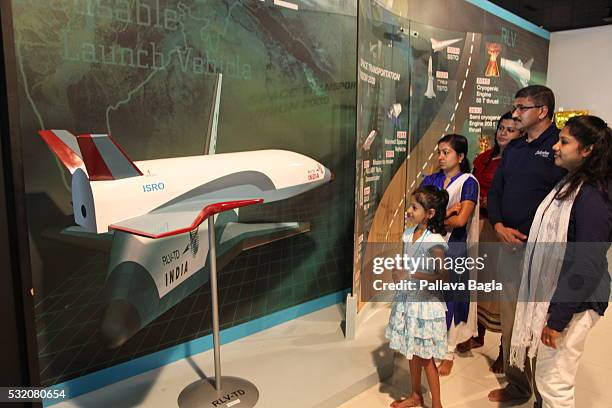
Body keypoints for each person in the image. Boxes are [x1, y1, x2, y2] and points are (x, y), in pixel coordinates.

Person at [510, 115, 611, 408]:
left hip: (575, 301)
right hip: (562, 295)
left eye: (564, 141)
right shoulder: (575, 183)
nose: (555, 146)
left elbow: (587, 265)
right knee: (548, 378)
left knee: (555, 383)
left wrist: (557, 320)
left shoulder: (592, 196)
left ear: (587, 150)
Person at [487, 85, 566, 403]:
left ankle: (545, 393)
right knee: (511, 320)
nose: (515, 113)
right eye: (515, 107)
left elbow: (565, 204)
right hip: (508, 248)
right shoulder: (515, 149)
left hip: (543, 254)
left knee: (540, 324)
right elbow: (495, 193)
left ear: (542, 111)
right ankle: (518, 385)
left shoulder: (561, 148)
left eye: (522, 108)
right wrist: (499, 226)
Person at [463, 112, 522, 373]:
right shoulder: (483, 158)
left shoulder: (519, 161)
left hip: (501, 229)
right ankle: (477, 333)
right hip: (478, 226)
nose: (503, 133)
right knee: (478, 280)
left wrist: (492, 204)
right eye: (501, 128)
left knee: (500, 289)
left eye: (510, 129)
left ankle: (503, 350)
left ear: (521, 133)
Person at [420, 134, 479, 376]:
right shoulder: (431, 179)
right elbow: (418, 214)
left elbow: (462, 219)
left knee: (452, 299)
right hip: (429, 247)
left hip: (454, 248)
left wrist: (436, 218)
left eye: (447, 152)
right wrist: (446, 214)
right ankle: (429, 342)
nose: (441, 157)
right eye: (439, 152)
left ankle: (449, 351)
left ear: (461, 156)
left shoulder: (468, 182)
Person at [386, 185, 449, 408]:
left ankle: (437, 404)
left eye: (414, 207)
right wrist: (398, 272)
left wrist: (411, 274)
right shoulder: (408, 234)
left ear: (430, 213)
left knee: (426, 357)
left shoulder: (435, 241)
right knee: (411, 350)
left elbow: (443, 276)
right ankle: (415, 395)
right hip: (409, 300)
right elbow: (405, 265)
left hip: (425, 304)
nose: (409, 211)